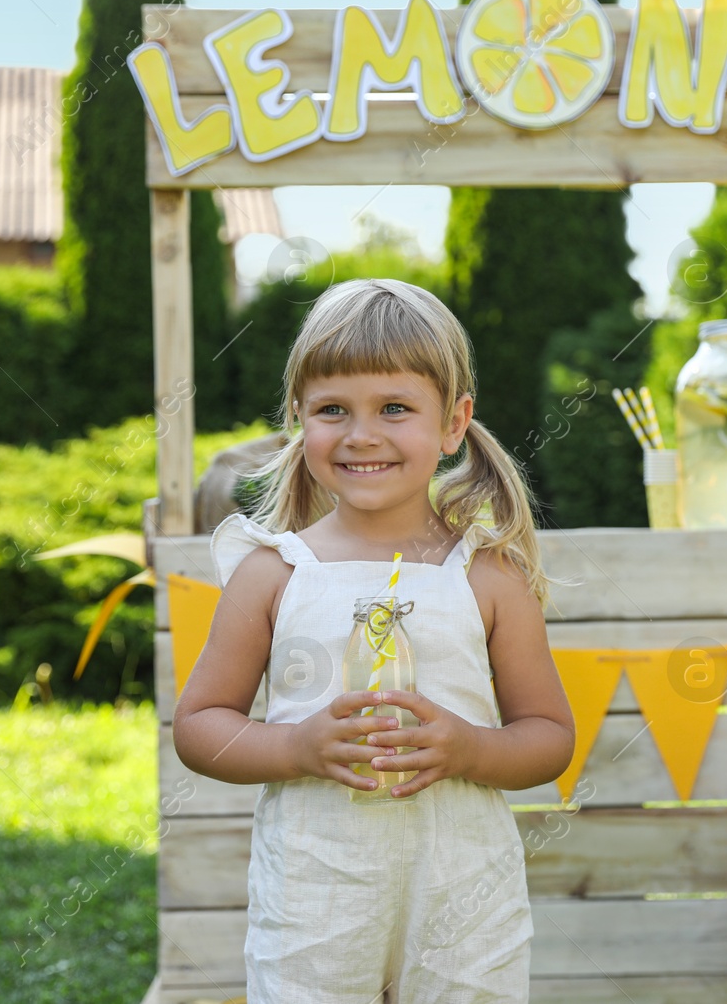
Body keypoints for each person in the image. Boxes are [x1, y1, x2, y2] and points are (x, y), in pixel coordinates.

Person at [174, 278, 575, 1003]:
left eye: (395, 407)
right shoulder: (272, 573)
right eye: (333, 409)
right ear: (299, 418)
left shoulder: (488, 576)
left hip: (463, 905)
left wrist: (471, 747)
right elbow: (201, 727)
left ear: (454, 423)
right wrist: (294, 747)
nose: (362, 434)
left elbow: (548, 735)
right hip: (315, 903)